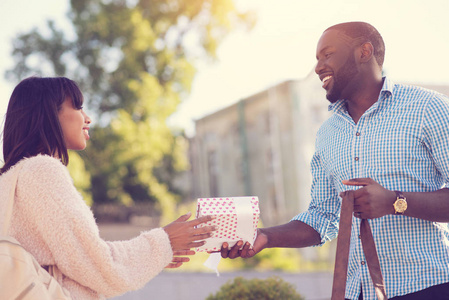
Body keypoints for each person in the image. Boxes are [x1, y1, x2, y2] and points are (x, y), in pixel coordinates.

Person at [220, 22, 449, 300]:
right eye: (317, 59)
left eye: (327, 55)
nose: (318, 67)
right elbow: (323, 217)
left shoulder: (428, 108)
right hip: (357, 292)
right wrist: (266, 237)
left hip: (428, 287)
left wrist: (395, 201)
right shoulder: (327, 134)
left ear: (364, 52)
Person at [0, 76, 216, 299]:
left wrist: (154, 258)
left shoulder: (10, 179)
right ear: (49, 114)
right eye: (78, 107)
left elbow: (78, 259)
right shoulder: (42, 171)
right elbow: (97, 265)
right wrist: (165, 242)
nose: (88, 118)